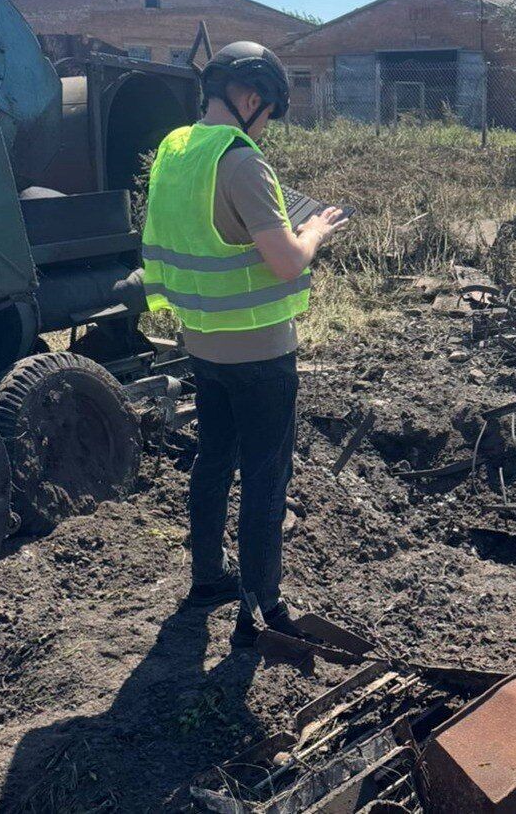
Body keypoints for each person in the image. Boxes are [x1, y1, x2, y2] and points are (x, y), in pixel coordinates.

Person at [141, 41, 349, 647]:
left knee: (213, 458)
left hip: (203, 344)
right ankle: (263, 607)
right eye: (269, 115)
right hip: (260, 353)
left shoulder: (175, 150)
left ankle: (209, 578)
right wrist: (314, 230)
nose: (265, 129)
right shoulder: (241, 162)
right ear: (253, 98)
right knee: (265, 478)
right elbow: (285, 262)